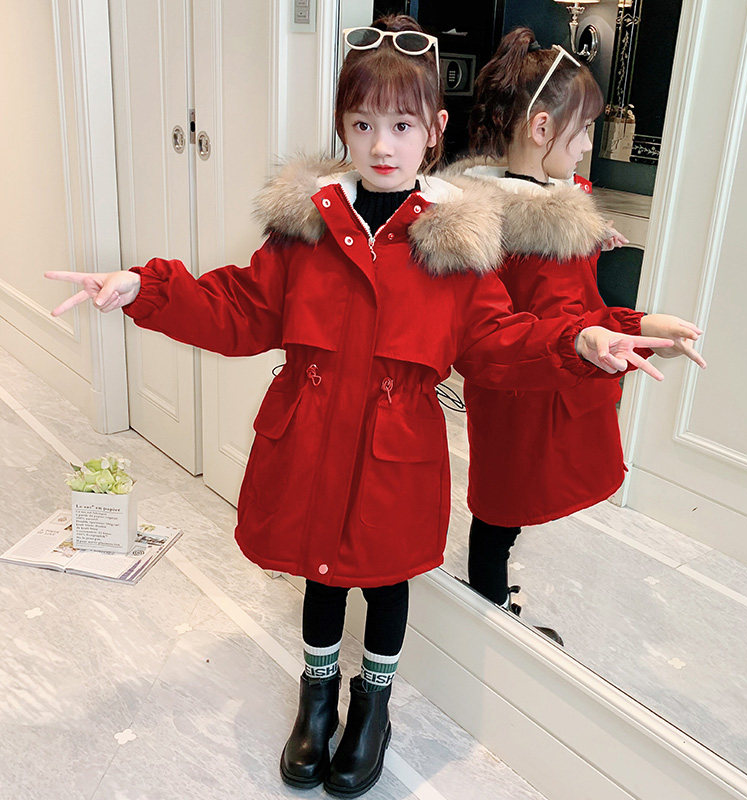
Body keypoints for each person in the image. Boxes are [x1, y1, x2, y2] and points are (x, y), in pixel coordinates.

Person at [46, 16, 673, 797]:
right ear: (343, 126)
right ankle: (317, 701)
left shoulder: (456, 247)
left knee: (384, 581)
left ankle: (372, 708)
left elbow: (497, 341)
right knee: (320, 575)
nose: (382, 144)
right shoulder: (307, 231)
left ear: (434, 130)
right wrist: (145, 288)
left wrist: (579, 339)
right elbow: (240, 307)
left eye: (402, 125)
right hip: (310, 439)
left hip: (396, 454)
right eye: (364, 123)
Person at [445, 27, 706, 646]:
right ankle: (488, 612)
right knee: (501, 505)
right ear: (542, 128)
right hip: (523, 387)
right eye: (583, 130)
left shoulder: (545, 209)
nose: (588, 146)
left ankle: (490, 600)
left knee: (504, 505)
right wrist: (604, 330)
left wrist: (641, 324)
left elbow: (582, 309)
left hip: (546, 377)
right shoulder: (513, 224)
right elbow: (518, 327)